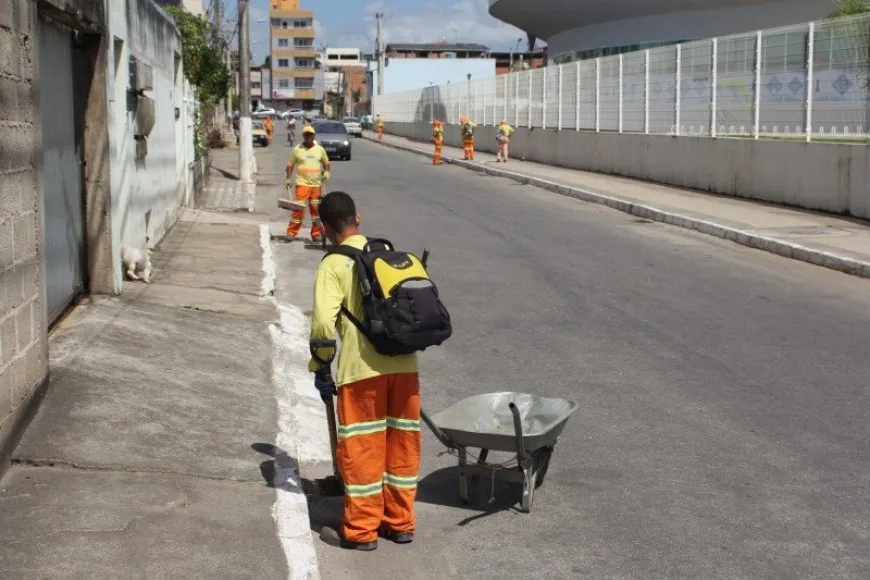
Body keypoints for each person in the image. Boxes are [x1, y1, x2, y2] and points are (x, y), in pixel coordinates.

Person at [309, 191, 421, 551]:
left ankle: (360, 531)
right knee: (401, 445)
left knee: (363, 450)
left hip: (362, 375)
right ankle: (400, 523)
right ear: (358, 218)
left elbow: (324, 326)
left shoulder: (332, 265)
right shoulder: (385, 253)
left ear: (326, 228)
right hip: (405, 368)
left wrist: (320, 367)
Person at [285, 125, 331, 242]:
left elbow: (326, 162)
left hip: (316, 185)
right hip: (302, 184)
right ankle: (291, 233)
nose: (308, 137)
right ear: (303, 136)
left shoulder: (320, 149)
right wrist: (288, 178)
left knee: (316, 211)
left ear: (314, 136)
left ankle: (316, 234)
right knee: (298, 210)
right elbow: (290, 165)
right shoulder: (297, 149)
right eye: (306, 135)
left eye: (310, 135)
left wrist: (326, 172)